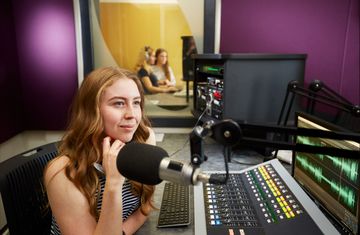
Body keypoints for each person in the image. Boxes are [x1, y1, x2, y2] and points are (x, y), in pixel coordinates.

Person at [44, 67, 157, 235]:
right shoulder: (63, 173)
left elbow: (145, 206)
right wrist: (113, 184)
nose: (132, 114)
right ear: (92, 110)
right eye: (118, 103)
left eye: (136, 103)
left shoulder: (143, 139)